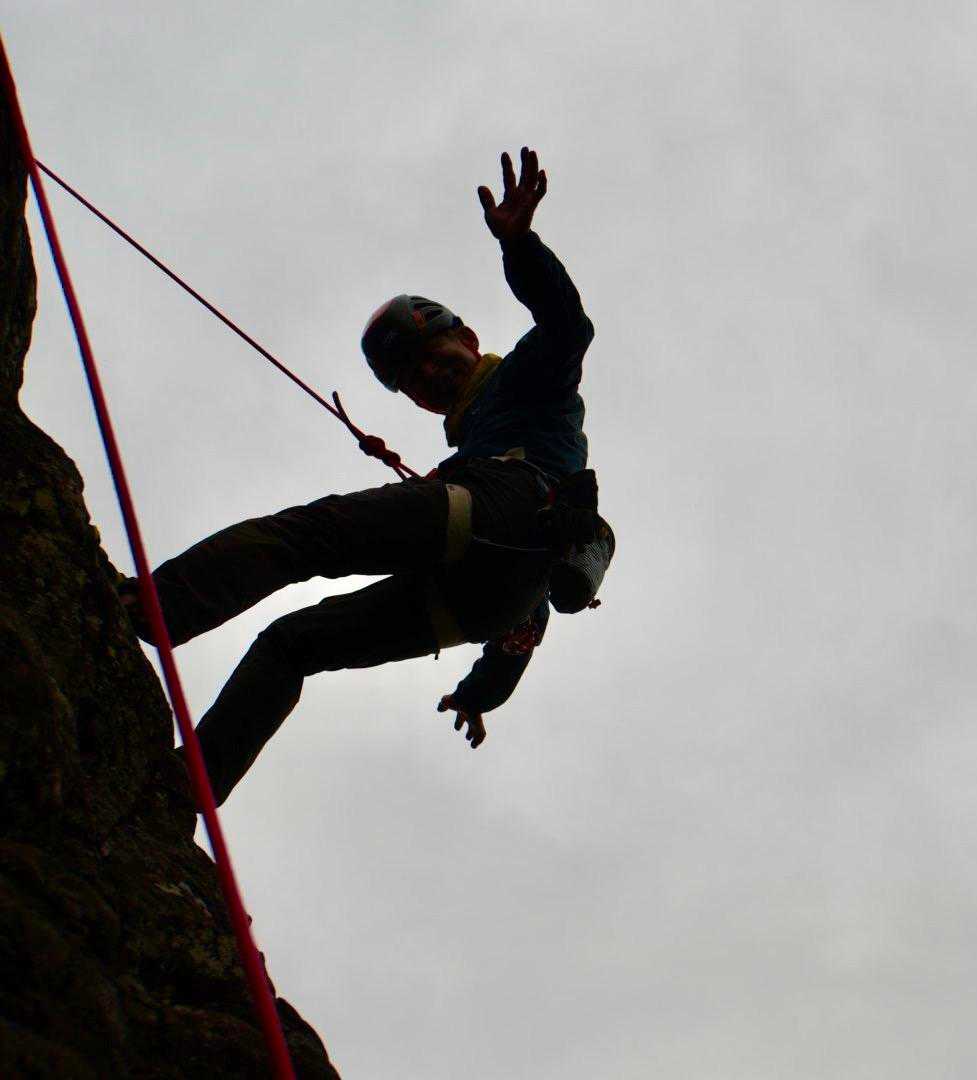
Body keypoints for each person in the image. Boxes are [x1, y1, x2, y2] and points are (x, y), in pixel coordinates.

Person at [120, 146, 612, 806]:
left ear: (468, 338)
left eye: (432, 355)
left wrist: (519, 245)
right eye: (412, 379)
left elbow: (567, 324)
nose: (427, 376)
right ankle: (186, 791)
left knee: (304, 538)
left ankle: (151, 607)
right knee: (292, 644)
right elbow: (524, 616)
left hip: (497, 510)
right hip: (482, 594)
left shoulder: (528, 378)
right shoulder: (479, 451)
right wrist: (480, 694)